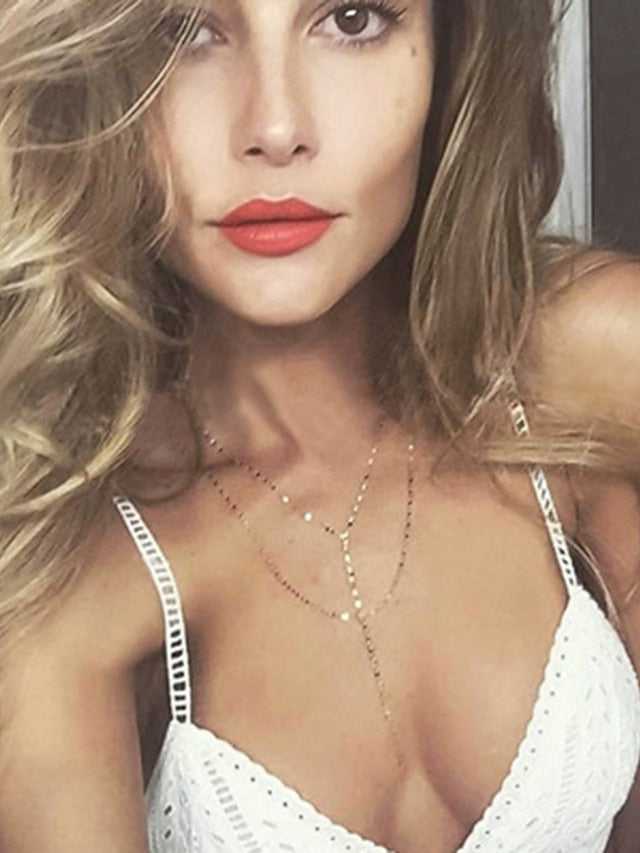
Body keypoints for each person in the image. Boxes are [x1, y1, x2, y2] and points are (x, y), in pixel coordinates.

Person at [0, 0, 639, 850]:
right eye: (181, 31)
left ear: (450, 48)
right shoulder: (70, 577)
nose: (275, 128)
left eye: (352, 19)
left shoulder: (591, 364)